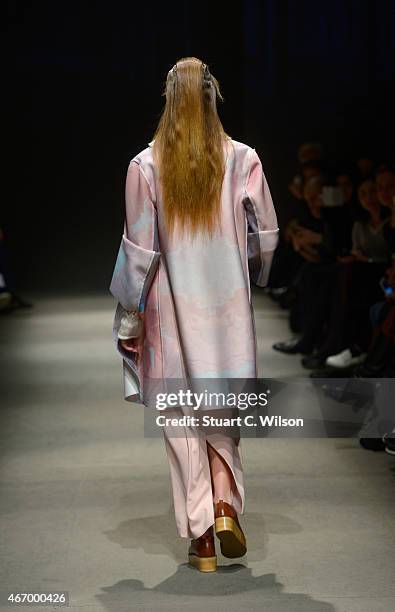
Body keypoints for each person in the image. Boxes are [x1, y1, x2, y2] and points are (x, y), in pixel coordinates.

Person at [109, 57, 279, 572]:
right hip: (225, 312)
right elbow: (266, 236)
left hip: (168, 310)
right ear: (213, 96)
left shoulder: (145, 165)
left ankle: (202, 536)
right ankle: (226, 503)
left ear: (168, 99)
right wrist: (247, 273)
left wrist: (128, 318)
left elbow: (140, 250)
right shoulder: (242, 158)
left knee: (181, 417)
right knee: (221, 410)